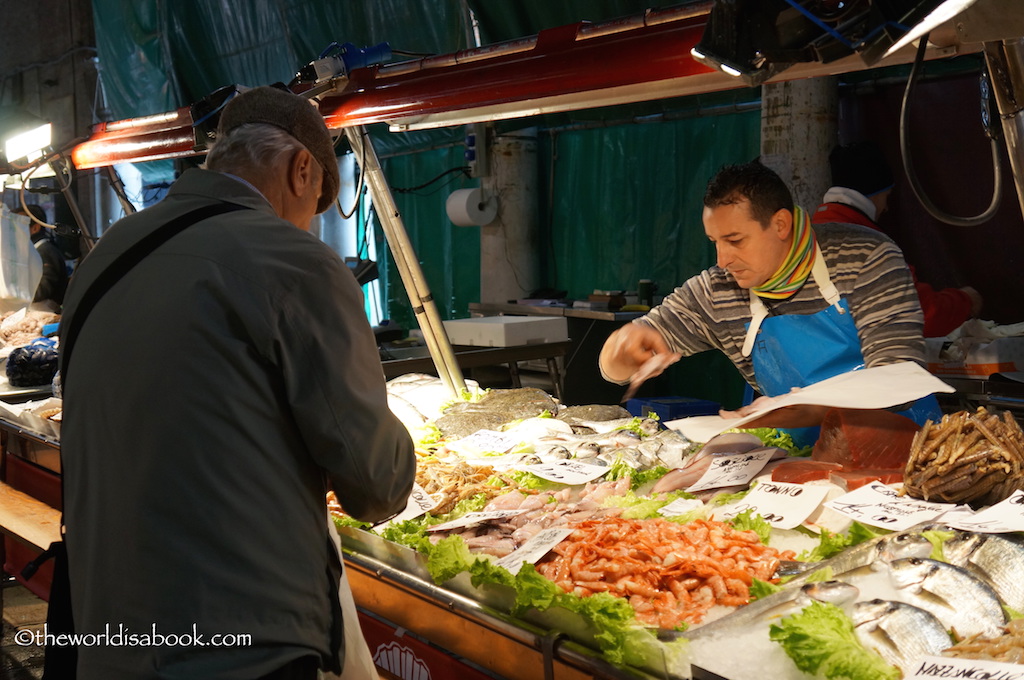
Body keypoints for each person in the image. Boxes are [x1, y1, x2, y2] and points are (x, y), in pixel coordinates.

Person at [58, 85, 417, 679]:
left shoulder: (109, 253)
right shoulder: (290, 259)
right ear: (302, 168)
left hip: (110, 632)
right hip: (237, 645)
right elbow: (375, 482)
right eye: (316, 206)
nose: (308, 225)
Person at [599, 161, 940, 438]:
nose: (722, 260)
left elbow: (898, 380)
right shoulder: (717, 291)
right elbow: (613, 369)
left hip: (904, 449)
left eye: (735, 240)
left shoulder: (866, 257)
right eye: (714, 241)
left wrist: (799, 409)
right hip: (801, 457)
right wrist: (621, 348)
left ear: (780, 224)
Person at [814, 141, 982, 337]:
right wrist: (966, 301)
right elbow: (921, 314)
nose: (886, 208)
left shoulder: (810, 233)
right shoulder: (869, 247)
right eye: (887, 196)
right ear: (874, 195)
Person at [14, 203, 68, 312]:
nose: (14, 233)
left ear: (35, 228)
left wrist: (15, 294)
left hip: (46, 313)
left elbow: (43, 290)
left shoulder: (45, 251)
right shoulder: (34, 250)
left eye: (19, 226)